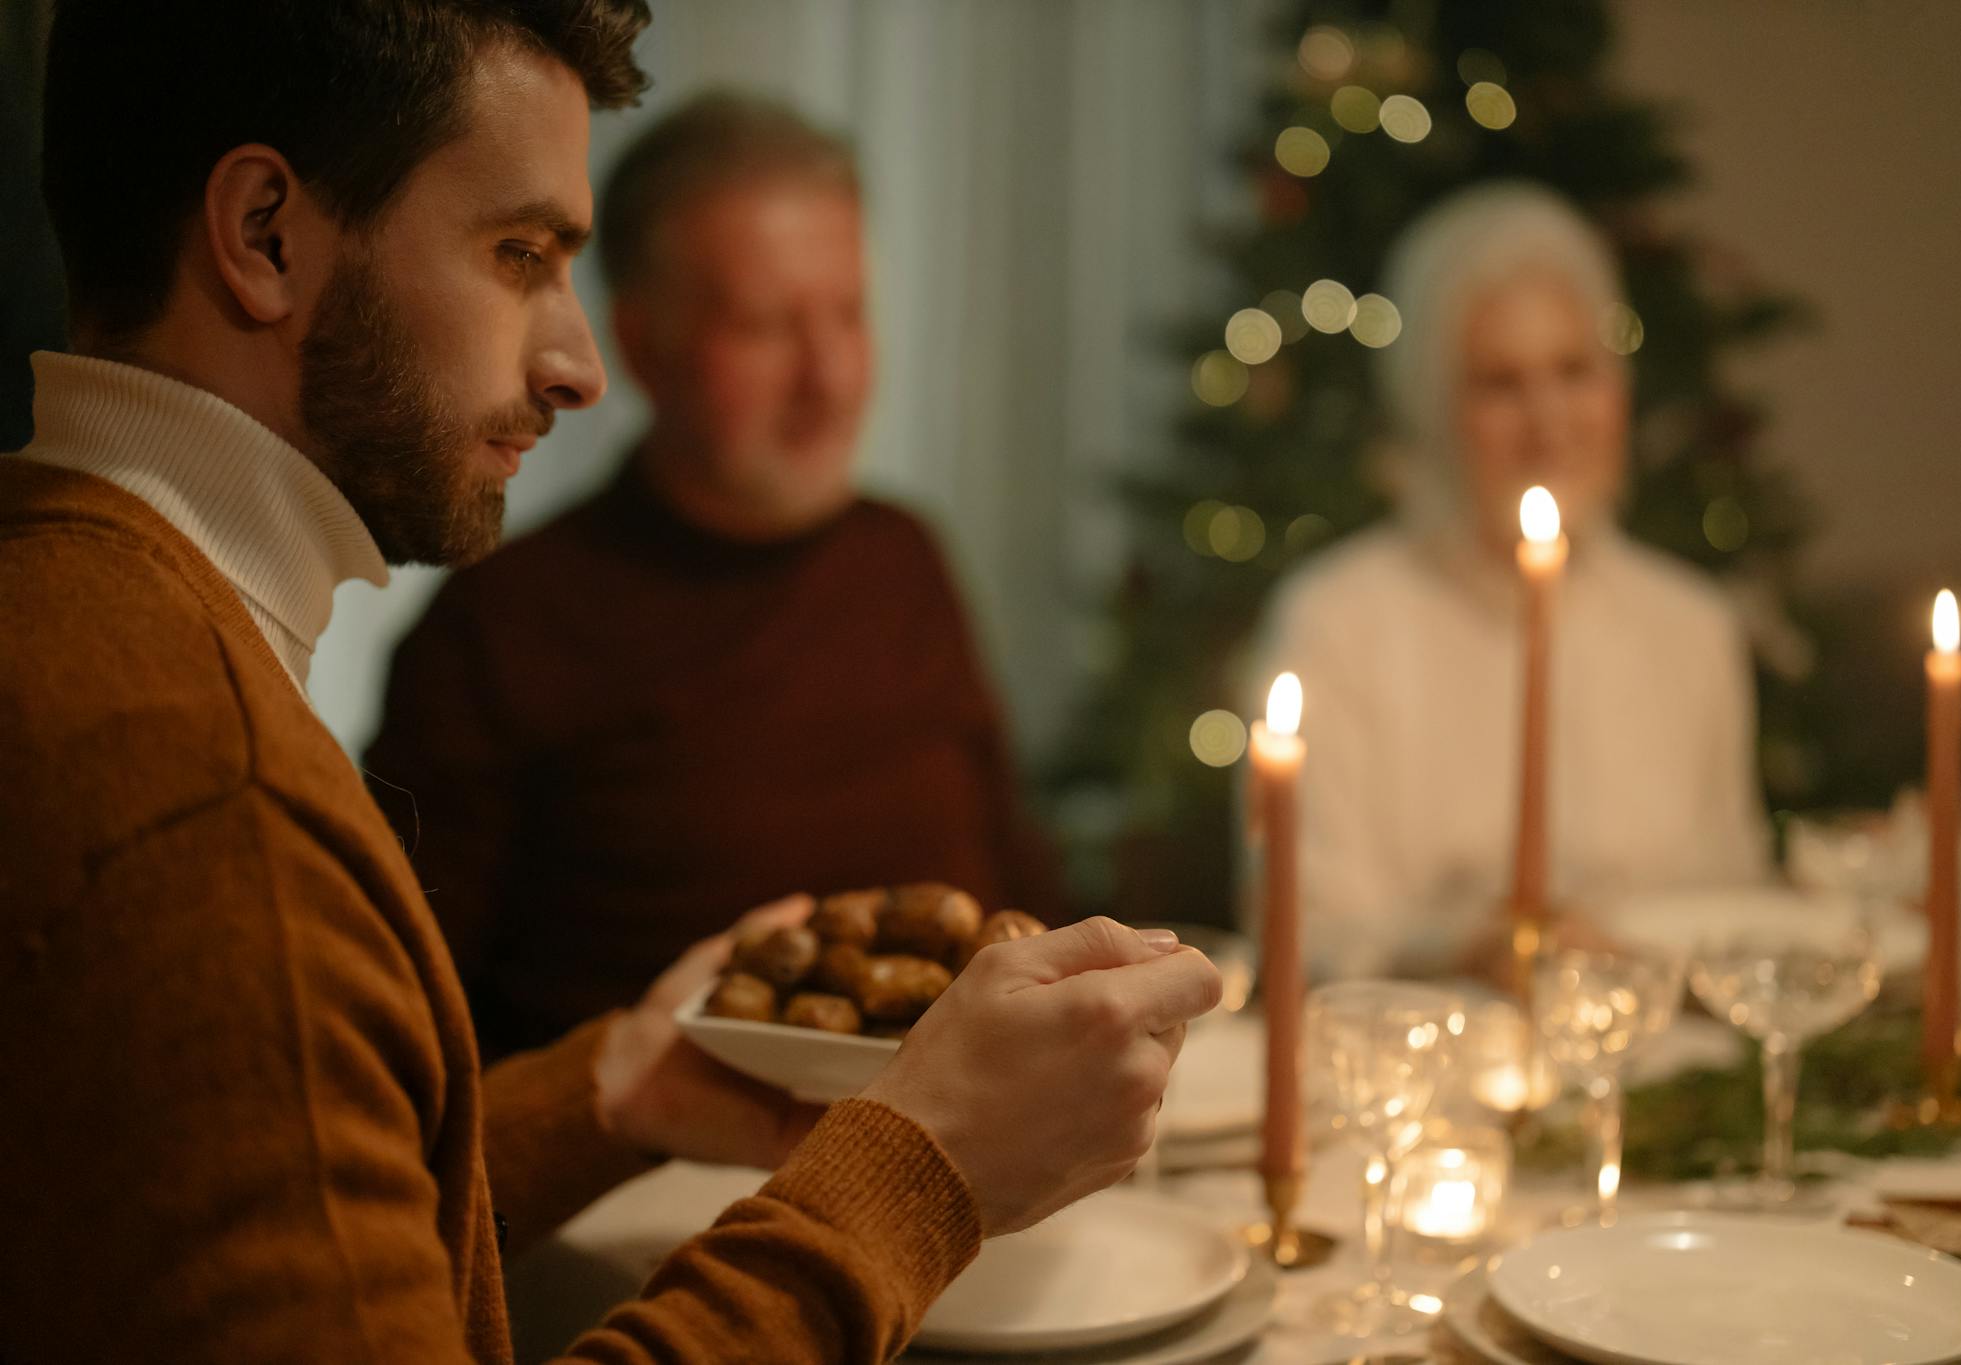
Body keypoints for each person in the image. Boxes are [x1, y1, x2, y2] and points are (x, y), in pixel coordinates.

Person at [0, 4, 1221, 1361]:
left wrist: (611, 1090)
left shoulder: (69, 602)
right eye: (518, 254)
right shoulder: (207, 795)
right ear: (265, 235)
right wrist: (916, 1170)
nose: (574, 366)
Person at [366, 92, 1064, 1060]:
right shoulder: (503, 624)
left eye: (848, 315)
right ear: (644, 346)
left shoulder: (901, 559)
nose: (830, 379)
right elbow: (406, 1023)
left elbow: (1022, 885)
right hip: (649, 1191)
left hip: (961, 1148)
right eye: (767, 327)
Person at [1259, 182, 1769, 981]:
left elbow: (1735, 905)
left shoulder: (1691, 626)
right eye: (1500, 383)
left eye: (1575, 371)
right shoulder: (1339, 623)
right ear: (1432, 406)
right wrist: (1467, 947)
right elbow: (1301, 929)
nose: (1548, 421)